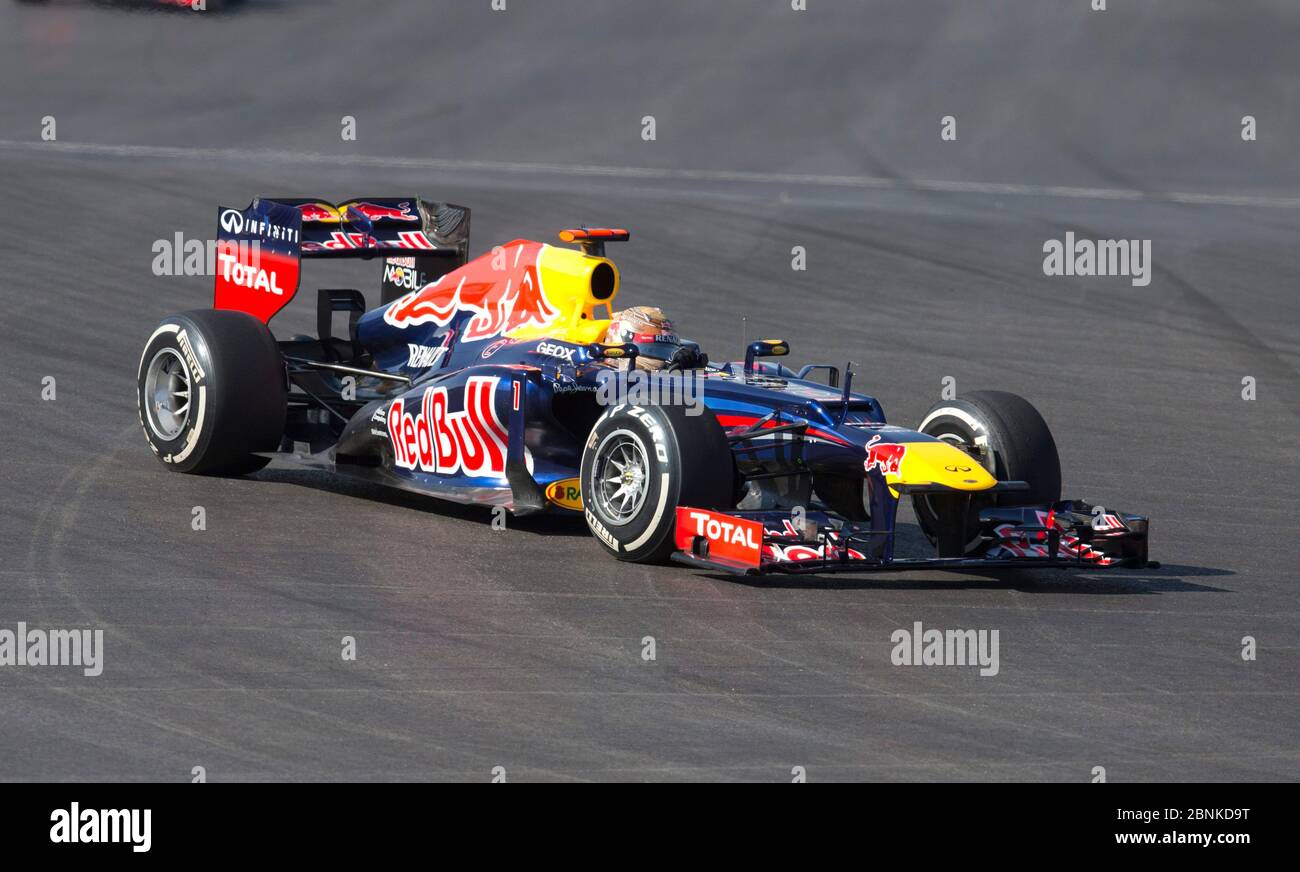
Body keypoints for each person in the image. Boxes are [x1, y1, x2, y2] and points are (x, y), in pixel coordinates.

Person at [603, 306, 707, 370]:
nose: (664, 360)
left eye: (665, 349)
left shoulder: (666, 367)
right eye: (651, 349)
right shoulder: (599, 373)